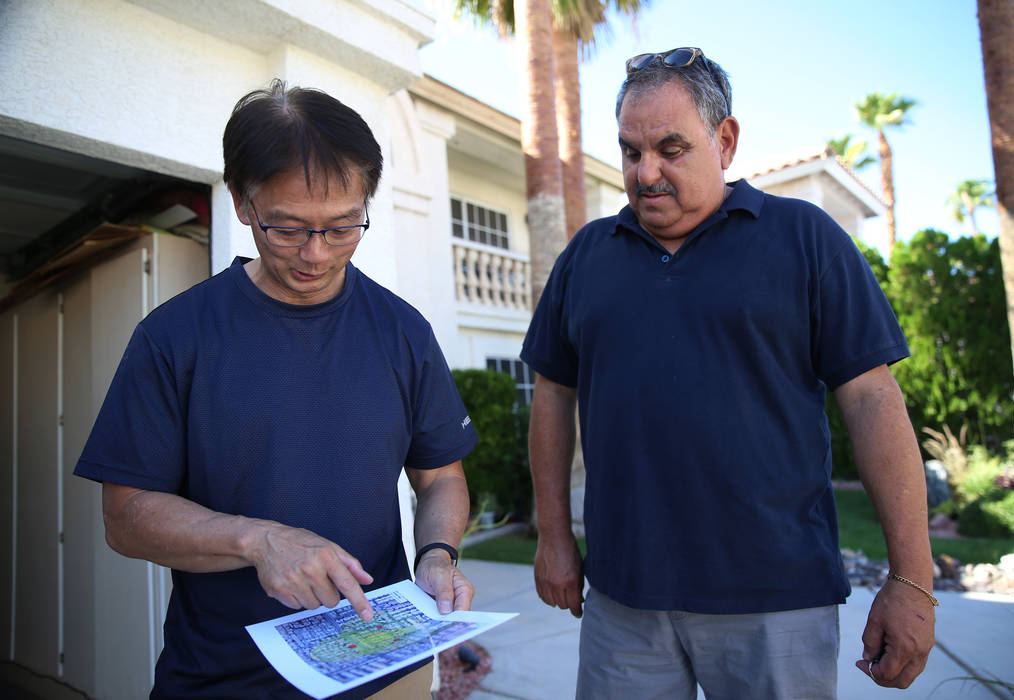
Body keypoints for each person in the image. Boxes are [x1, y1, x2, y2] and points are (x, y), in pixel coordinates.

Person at [522, 47, 936, 699]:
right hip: (623, 605)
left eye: (670, 148)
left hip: (776, 604)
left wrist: (913, 579)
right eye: (631, 151)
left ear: (726, 139)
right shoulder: (585, 257)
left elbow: (873, 402)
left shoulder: (806, 239)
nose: (646, 172)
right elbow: (551, 396)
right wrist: (552, 537)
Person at [74, 80, 478, 699]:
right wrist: (257, 540)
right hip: (224, 675)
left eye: (343, 228)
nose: (316, 254)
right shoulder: (174, 336)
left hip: (381, 666)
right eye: (287, 229)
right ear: (241, 202)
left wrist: (438, 554)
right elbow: (125, 517)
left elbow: (441, 475)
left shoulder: (403, 331)